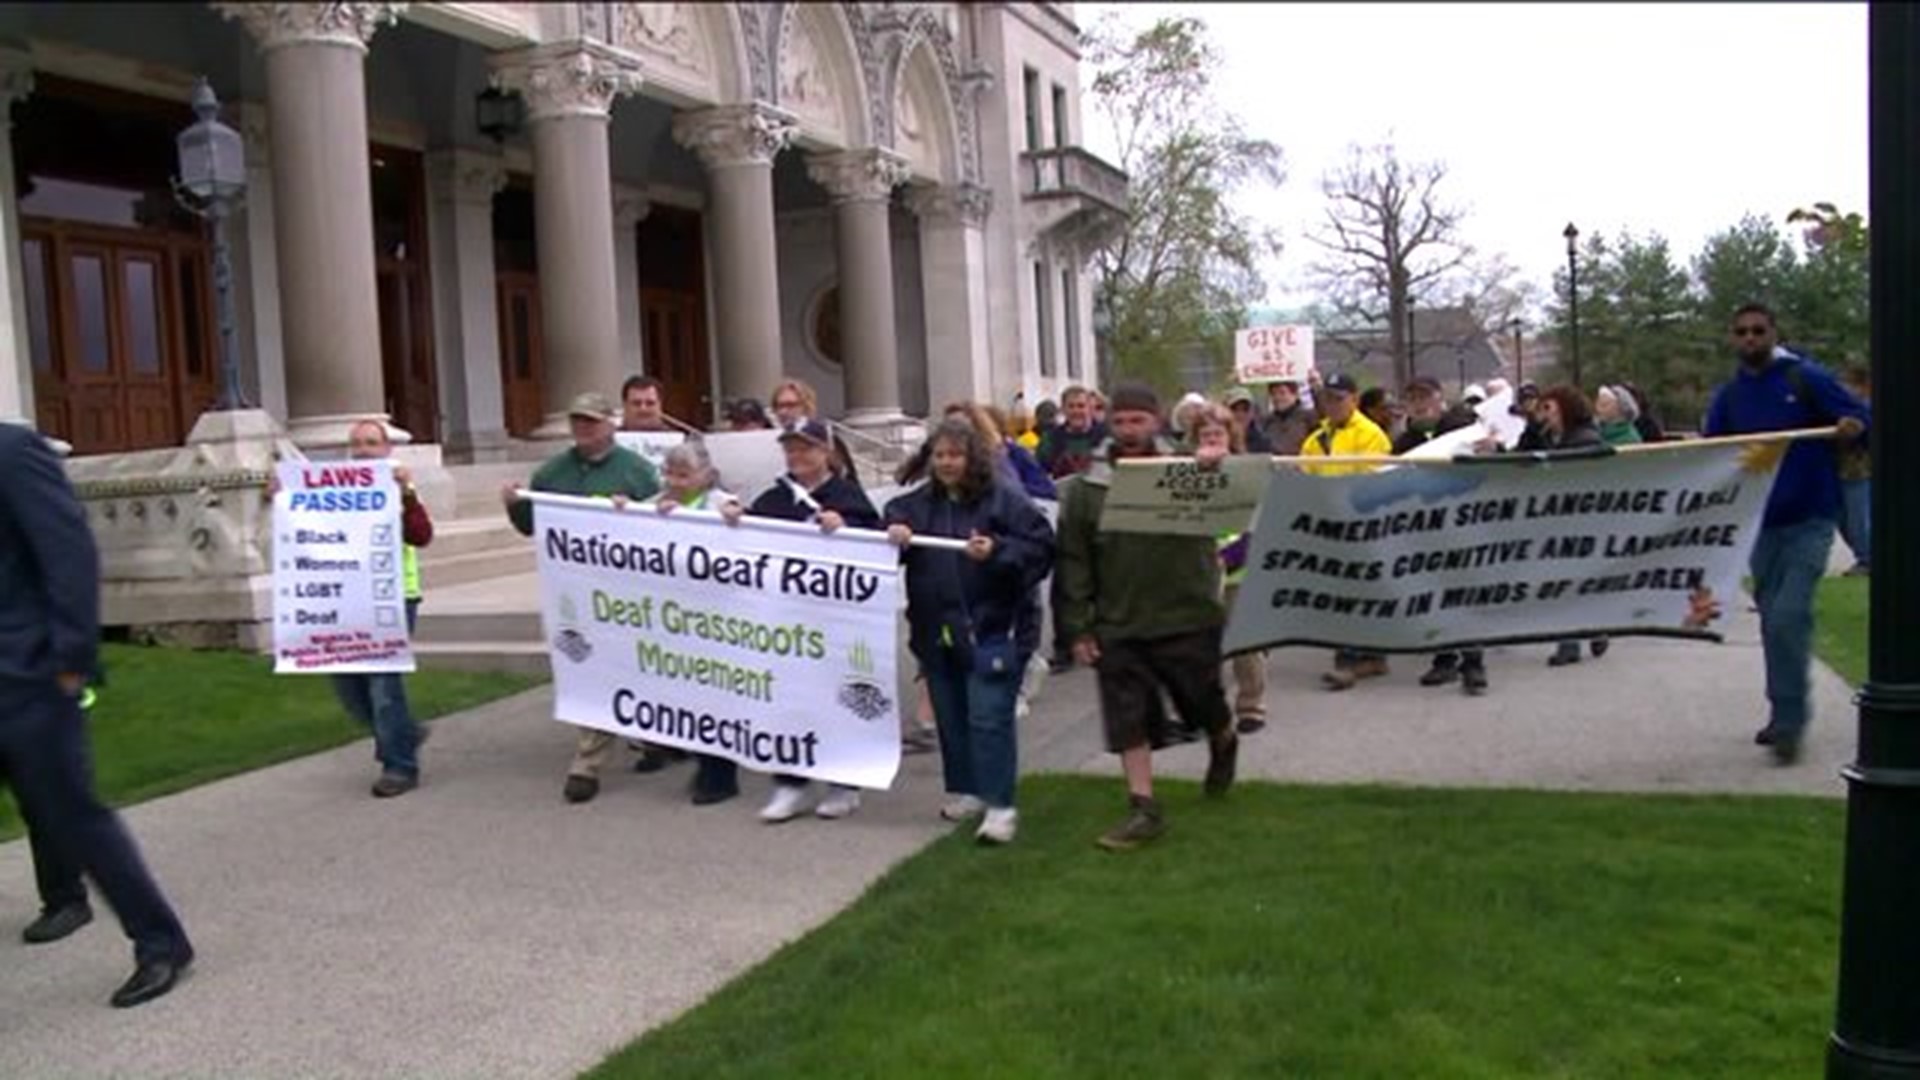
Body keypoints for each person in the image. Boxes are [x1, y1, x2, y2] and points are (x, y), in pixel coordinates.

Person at [0, 423, 194, 1007]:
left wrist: (70, 661)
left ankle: (160, 942)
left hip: (27, 678)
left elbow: (69, 552)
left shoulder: (12, 452)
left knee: (75, 817)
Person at [1057, 382, 1238, 851]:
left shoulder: (1189, 467)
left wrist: (1220, 464)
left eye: (1137, 420)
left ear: (1156, 422)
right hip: (1118, 621)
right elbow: (1074, 560)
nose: (1128, 430)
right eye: (1119, 421)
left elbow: (1240, 500)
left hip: (1188, 612)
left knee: (1201, 702)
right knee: (1127, 715)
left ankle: (1223, 737)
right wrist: (1078, 625)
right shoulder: (1086, 490)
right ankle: (1144, 807)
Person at [1703, 303, 1868, 763]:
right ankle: (1782, 714)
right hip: (1761, 526)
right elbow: (1711, 454)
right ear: (1733, 338)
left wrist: (1853, 428)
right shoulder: (1731, 396)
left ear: (1774, 332)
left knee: (1788, 615)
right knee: (1775, 619)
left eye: (1759, 330)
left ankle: (1792, 722)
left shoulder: (1806, 378)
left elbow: (1861, 420)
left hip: (1811, 519)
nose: (1750, 338)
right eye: (1742, 332)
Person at [884, 418, 1055, 845]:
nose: (946, 463)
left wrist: (997, 552)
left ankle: (1000, 805)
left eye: (955, 455)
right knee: (951, 715)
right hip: (935, 630)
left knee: (988, 717)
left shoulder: (1005, 501)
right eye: (939, 455)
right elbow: (886, 524)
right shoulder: (917, 504)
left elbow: (1040, 549)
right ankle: (969, 790)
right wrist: (894, 533)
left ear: (972, 457)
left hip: (993, 628)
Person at [502, 391, 662, 803]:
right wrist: (514, 505)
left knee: (638, 665)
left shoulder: (637, 471)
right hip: (575, 592)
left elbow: (661, 526)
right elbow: (531, 525)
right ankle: (588, 761)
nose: (584, 430)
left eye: (592, 421)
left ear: (611, 424)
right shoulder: (553, 474)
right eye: (577, 422)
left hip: (628, 593)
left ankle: (653, 733)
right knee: (589, 666)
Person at [720, 417, 882, 821]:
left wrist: (847, 527)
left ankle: (843, 783)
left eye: (806, 448)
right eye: (790, 449)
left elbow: (876, 545)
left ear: (826, 451)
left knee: (837, 700)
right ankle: (790, 782)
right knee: (786, 699)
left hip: (835, 623)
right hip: (785, 622)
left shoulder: (847, 496)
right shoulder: (775, 498)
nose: (797, 456)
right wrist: (735, 518)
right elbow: (750, 541)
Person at [633, 440, 745, 805]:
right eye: (670, 473)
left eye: (685, 474)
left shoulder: (719, 504)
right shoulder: (654, 506)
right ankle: (692, 753)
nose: (676, 482)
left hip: (715, 619)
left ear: (706, 476)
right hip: (671, 619)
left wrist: (733, 516)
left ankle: (718, 775)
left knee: (715, 694)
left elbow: (744, 530)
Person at [335, 420, 434, 797]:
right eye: (357, 443)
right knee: (346, 681)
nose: (363, 450)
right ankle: (404, 731)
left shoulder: (397, 487)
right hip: (348, 595)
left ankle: (399, 766)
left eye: (371, 443)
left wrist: (406, 492)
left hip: (394, 595)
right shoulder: (337, 485)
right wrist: (280, 496)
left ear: (387, 449)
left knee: (382, 681)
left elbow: (422, 535)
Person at [1394, 377, 1490, 695]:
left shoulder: (1466, 427)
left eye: (1425, 398)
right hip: (1427, 527)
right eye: (1412, 399)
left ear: (1440, 399)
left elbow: (1496, 459)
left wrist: (1493, 448)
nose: (1420, 405)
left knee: (1466, 592)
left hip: (1466, 522)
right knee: (1434, 592)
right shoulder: (1406, 441)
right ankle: (1444, 658)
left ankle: (1474, 663)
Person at [1302, 372, 1395, 691]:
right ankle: (1370, 657)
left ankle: (1350, 661)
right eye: (1328, 398)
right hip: (1329, 526)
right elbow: (1305, 478)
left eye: (1339, 398)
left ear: (1354, 400)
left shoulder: (1371, 435)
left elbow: (1371, 482)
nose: (1333, 405)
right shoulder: (1316, 439)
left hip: (1362, 526)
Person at [1186, 404, 1270, 733]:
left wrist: (1232, 554)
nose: (1211, 440)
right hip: (1199, 570)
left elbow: (1258, 520)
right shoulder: (1182, 472)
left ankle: (1251, 706)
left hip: (1239, 568)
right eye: (1205, 435)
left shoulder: (1247, 472)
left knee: (1244, 642)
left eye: (1218, 434)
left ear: (1230, 437)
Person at [1531, 385, 1613, 668]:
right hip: (1568, 521)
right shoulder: (1557, 437)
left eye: (1548, 408)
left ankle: (1571, 641)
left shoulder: (1582, 440)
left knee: (1566, 581)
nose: (1544, 415)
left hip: (1578, 521)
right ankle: (1593, 628)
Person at [769, 377, 859, 483]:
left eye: (790, 405)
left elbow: (845, 477)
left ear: (806, 406)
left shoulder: (828, 439)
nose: (783, 412)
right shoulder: (768, 441)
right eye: (779, 406)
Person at [1836, 365, 1871, 577]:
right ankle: (1864, 557)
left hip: (1860, 471)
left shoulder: (1865, 408)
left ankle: (1867, 560)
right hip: (1842, 471)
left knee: (1859, 519)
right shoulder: (1844, 409)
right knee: (1844, 520)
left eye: (1849, 384)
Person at [1036, 384, 1108, 480]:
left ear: (1090, 409)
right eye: (1071, 406)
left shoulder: (1106, 435)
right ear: (1063, 410)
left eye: (1081, 406)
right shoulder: (1050, 438)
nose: (1076, 411)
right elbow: (1038, 472)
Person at [1259, 378, 1315, 456]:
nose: (1277, 397)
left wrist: (1316, 387)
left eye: (1282, 393)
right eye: (1273, 394)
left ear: (1295, 395)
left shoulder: (1308, 417)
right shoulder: (1266, 421)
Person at [1225, 387, 1272, 453]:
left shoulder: (1263, 442)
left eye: (1245, 409)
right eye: (1234, 409)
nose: (1240, 415)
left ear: (1252, 413)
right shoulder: (1216, 440)